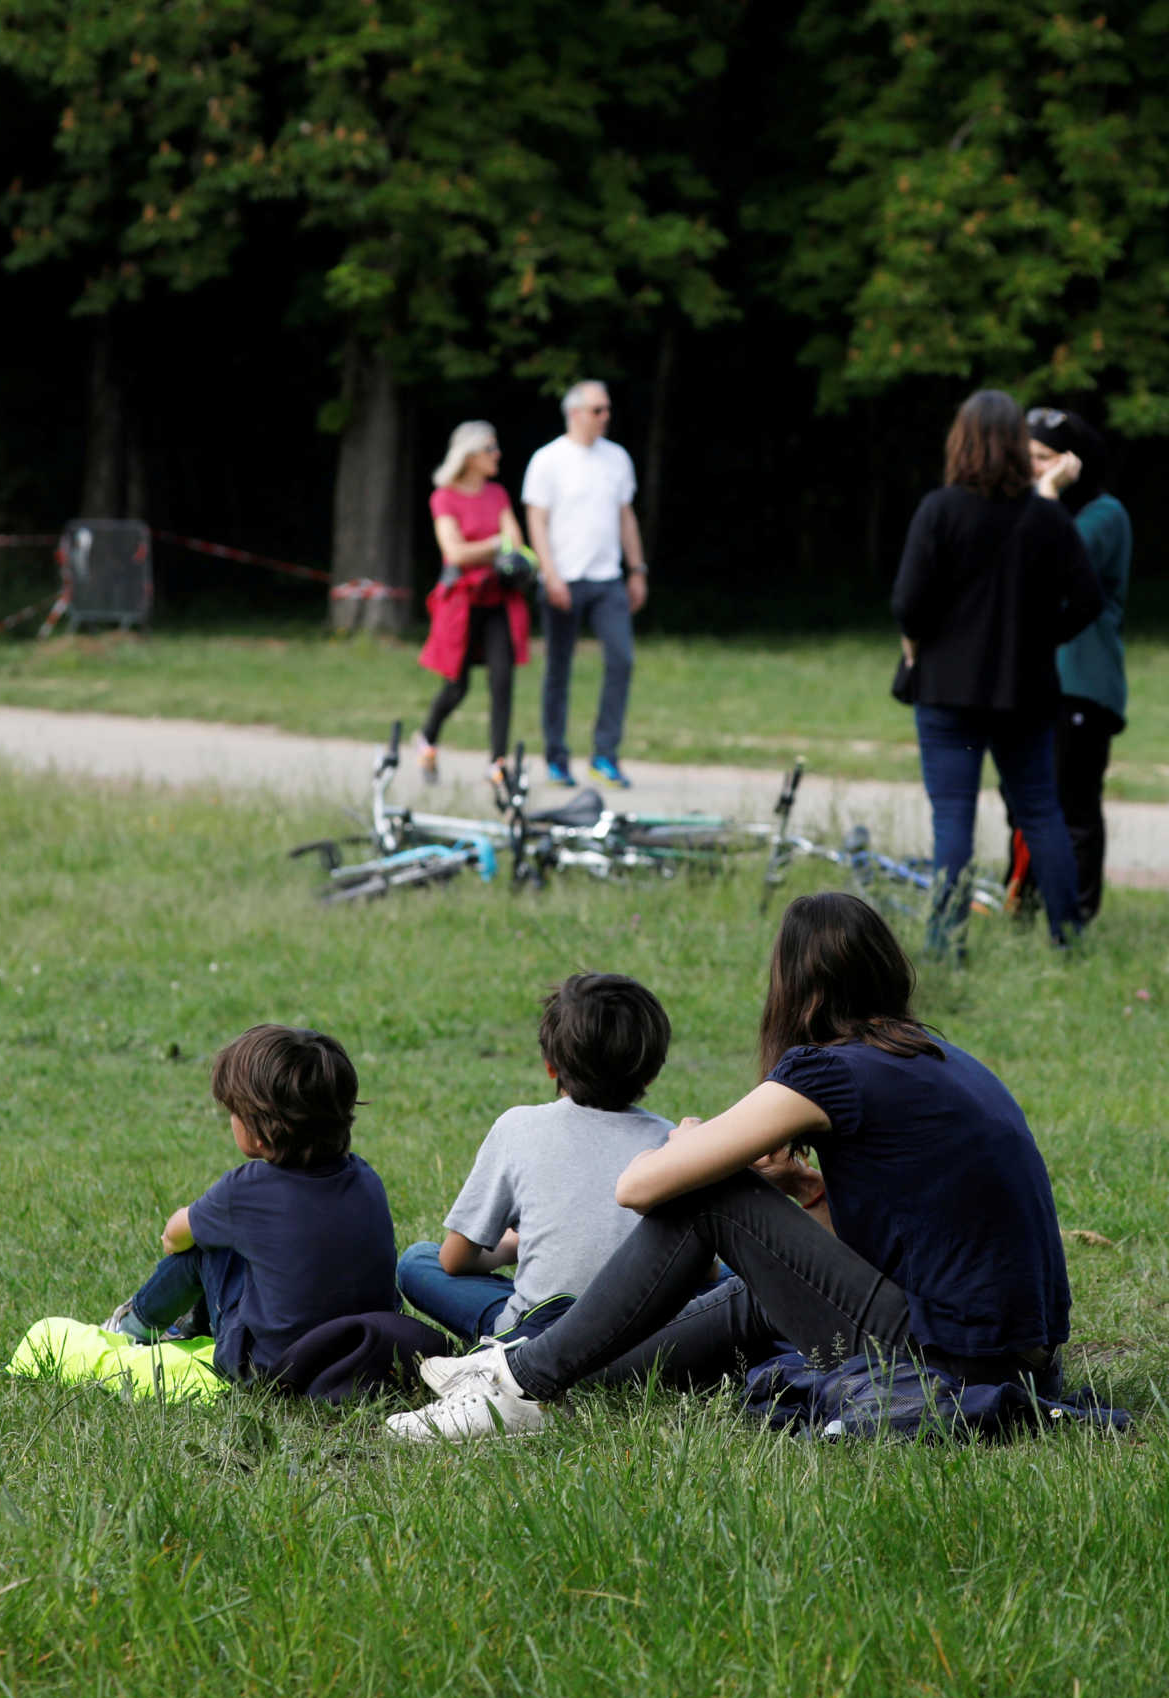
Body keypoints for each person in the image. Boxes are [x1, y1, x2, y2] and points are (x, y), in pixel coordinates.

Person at [385, 891, 1073, 1444]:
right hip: (1011, 1356)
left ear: (795, 987)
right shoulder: (937, 1059)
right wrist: (806, 1191)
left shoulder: (829, 1070)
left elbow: (639, 1186)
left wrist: (687, 1141)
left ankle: (519, 1379)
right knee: (746, 1291)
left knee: (710, 1196)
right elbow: (869, 1251)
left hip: (935, 1362)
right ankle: (534, 1374)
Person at [892, 389, 1103, 950]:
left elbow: (907, 602)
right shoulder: (1046, 518)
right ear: (1016, 445)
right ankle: (1069, 936)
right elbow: (1087, 600)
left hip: (947, 690)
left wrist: (917, 646)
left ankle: (946, 941)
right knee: (1040, 811)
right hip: (1026, 691)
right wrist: (1041, 640)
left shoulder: (940, 510)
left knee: (953, 817)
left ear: (960, 441)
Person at [90, 1024, 401, 1385]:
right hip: (365, 1351)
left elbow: (175, 1236)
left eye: (233, 1113)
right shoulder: (365, 1177)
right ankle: (189, 1325)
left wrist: (183, 1235)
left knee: (204, 1248)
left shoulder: (246, 1190)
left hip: (268, 1367)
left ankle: (132, 1326)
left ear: (260, 1130)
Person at [394, 973, 675, 1347]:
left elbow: (453, 1261)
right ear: (653, 1073)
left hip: (535, 1334)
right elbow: (702, 1275)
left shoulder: (518, 1128)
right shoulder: (671, 1141)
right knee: (731, 1277)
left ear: (550, 1066)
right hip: (647, 1332)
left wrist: (511, 1247)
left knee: (417, 1262)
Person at [1027, 406, 1131, 926]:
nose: (1033, 470)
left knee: (1074, 806)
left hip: (1083, 682)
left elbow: (1059, 555)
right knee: (1026, 802)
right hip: (1033, 678)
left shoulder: (1103, 513)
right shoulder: (1033, 506)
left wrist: (1046, 494)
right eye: (1025, 459)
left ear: (1072, 462)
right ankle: (1021, 906)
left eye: (1043, 459)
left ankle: (1076, 918)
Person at [523, 380, 647, 789]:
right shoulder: (548, 460)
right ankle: (557, 758)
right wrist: (550, 573)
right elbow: (537, 520)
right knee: (559, 668)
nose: (605, 416)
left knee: (622, 659)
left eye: (607, 409)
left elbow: (625, 515)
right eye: (597, 410)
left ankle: (605, 755)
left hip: (607, 578)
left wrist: (637, 568)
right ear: (575, 413)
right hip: (564, 579)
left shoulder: (617, 459)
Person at [415, 420, 531, 787]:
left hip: (498, 598)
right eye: (490, 450)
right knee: (456, 686)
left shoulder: (497, 494)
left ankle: (497, 763)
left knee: (502, 678)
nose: (497, 455)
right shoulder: (444, 497)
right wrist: (497, 545)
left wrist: (494, 548)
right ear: (469, 456)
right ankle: (427, 737)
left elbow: (517, 541)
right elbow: (454, 552)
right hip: (462, 605)